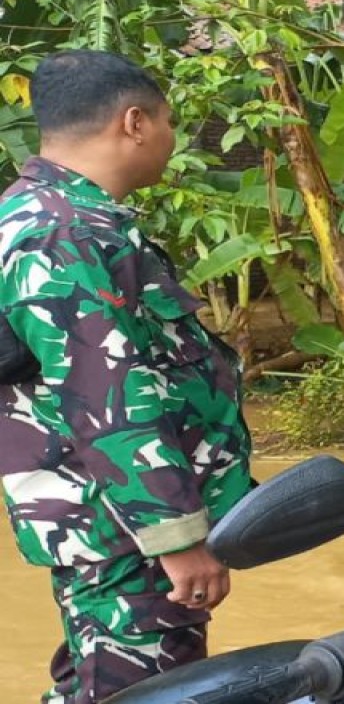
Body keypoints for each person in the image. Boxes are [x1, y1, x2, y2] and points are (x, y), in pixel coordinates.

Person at [0, 51, 252, 703]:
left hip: (120, 524)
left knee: (111, 677)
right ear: (135, 122)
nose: (173, 137)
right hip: (123, 530)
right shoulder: (62, 234)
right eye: (168, 120)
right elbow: (104, 394)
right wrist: (176, 537)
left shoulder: (68, 219)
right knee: (140, 689)